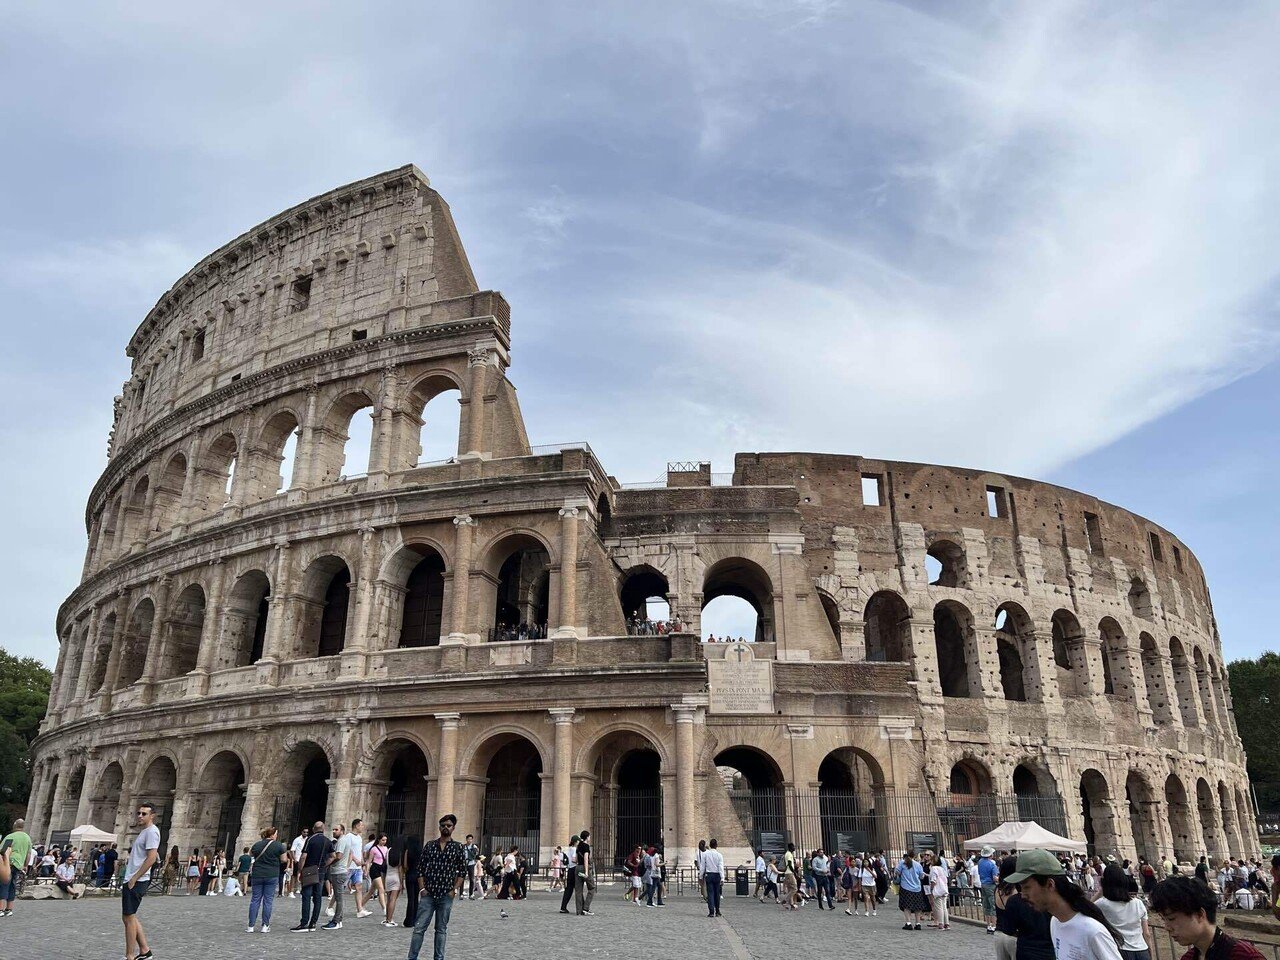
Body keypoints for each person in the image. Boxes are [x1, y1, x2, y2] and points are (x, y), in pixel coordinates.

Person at [1009, 848, 1123, 960]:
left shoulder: (1092, 931)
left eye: (1027, 887)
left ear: (1050, 885)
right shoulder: (1055, 922)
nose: (1023, 895)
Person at [1151, 875, 1266, 960]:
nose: (1167, 927)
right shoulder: (1188, 958)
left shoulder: (1243, 956)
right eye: (1163, 919)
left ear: (1200, 914)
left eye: (1171, 919)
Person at [406, 813, 467, 960]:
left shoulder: (458, 847)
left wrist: (454, 890)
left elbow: (462, 871)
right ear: (439, 827)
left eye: (449, 825)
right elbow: (420, 868)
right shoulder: (430, 845)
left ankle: (439, 958)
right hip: (429, 893)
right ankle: (412, 957)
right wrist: (422, 888)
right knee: (419, 928)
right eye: (443, 825)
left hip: (446, 894)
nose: (445, 828)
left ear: (453, 828)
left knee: (441, 930)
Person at [122, 802, 161, 960]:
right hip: (133, 878)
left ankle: (130, 955)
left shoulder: (152, 832)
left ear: (152, 816)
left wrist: (134, 878)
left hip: (137, 880)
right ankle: (145, 951)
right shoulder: (145, 832)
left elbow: (152, 858)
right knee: (129, 916)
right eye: (139, 813)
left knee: (129, 917)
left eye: (144, 813)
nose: (140, 816)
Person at [995, 855, 1054, 960]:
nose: (1024, 894)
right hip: (1022, 943)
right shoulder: (1016, 895)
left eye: (1027, 887)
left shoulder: (999, 890)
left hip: (1002, 934)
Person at [1096, 863, 1153, 960]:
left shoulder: (1102, 904)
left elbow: (1086, 907)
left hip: (1120, 950)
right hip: (1142, 950)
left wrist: (1100, 891)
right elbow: (1146, 933)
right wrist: (1150, 952)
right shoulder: (1138, 903)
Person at [292, 820, 332, 932]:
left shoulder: (310, 839)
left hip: (309, 871)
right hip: (321, 872)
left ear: (314, 829)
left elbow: (303, 856)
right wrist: (325, 864)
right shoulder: (327, 841)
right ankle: (313, 923)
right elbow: (333, 856)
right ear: (323, 829)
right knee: (317, 897)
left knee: (306, 896)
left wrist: (300, 870)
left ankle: (304, 923)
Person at [247, 826, 287, 933]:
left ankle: (251, 926)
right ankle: (265, 925)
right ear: (273, 834)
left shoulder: (257, 844)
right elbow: (284, 859)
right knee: (268, 901)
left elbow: (250, 854)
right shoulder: (279, 846)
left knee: (255, 900)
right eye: (276, 833)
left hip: (257, 874)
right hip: (272, 874)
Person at [0, 817, 32, 916]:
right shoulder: (27, 838)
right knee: (12, 885)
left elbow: (2, 850)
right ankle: (9, 909)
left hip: (8, 863)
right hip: (18, 865)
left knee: (3, 884)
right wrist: (25, 865)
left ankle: (0, 909)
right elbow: (28, 854)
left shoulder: (11, 836)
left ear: (14, 825)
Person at [895, 850, 926, 930]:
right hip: (917, 888)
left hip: (905, 887)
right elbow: (921, 876)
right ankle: (918, 923)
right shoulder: (918, 864)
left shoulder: (902, 863)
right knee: (917, 907)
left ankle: (908, 923)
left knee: (906, 906)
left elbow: (897, 872)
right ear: (915, 856)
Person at [926, 850, 950, 930]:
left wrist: (932, 888)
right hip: (944, 888)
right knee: (944, 907)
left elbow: (933, 880)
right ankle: (947, 923)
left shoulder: (933, 868)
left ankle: (941, 923)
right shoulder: (942, 869)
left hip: (938, 889)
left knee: (938, 907)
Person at [574, 829, 596, 916]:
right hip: (584, 868)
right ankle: (586, 908)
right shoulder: (586, 846)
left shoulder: (578, 846)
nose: (590, 837)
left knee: (578, 890)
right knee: (592, 888)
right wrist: (586, 871)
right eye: (589, 836)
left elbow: (575, 859)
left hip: (578, 868)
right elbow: (586, 859)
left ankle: (579, 910)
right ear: (587, 837)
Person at [979, 844, 1000, 933]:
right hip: (991, 885)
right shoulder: (992, 864)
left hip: (983, 884)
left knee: (986, 905)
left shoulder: (980, 862)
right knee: (993, 906)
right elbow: (995, 878)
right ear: (990, 855)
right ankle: (994, 925)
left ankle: (988, 925)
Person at [703, 838, 725, 918]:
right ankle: (718, 911)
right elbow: (721, 867)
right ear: (716, 846)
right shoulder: (719, 855)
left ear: (710, 845)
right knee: (717, 894)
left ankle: (711, 911)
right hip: (717, 875)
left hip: (709, 874)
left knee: (710, 893)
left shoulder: (706, 854)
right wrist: (722, 878)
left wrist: (701, 875)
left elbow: (703, 866)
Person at [559, 834, 579, 913]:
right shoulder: (574, 849)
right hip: (574, 868)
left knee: (568, 889)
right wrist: (580, 861)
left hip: (570, 869)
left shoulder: (569, 849)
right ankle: (584, 907)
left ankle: (563, 907)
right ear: (575, 842)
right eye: (578, 841)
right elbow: (574, 859)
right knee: (578, 888)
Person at [287, 827, 308, 898]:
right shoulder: (297, 839)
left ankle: (301, 890)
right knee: (294, 876)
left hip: (304, 860)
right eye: (304, 832)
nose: (305, 833)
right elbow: (292, 850)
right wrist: (294, 859)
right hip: (298, 859)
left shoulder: (308, 839)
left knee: (304, 876)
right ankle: (291, 891)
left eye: (306, 832)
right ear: (302, 832)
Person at [462, 834, 480, 898]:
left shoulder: (474, 846)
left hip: (471, 864)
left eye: (471, 839)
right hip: (464, 863)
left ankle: (471, 894)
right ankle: (461, 893)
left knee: (471, 879)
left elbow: (476, 854)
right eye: (468, 839)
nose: (470, 840)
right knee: (462, 878)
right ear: (466, 839)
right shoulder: (463, 846)